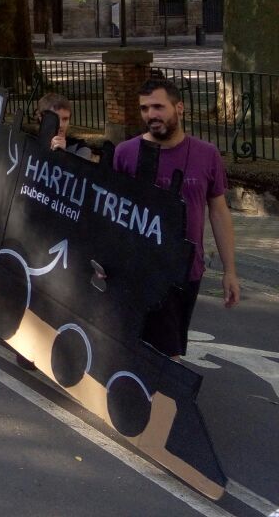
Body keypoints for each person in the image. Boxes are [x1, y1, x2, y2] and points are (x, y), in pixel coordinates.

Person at [112, 78, 240, 358]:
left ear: (179, 107)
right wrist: (106, 259)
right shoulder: (125, 153)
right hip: (137, 269)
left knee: (165, 354)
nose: (151, 115)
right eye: (145, 108)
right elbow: (109, 211)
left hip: (185, 271)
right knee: (152, 355)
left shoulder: (207, 154)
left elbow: (219, 211)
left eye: (158, 107)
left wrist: (229, 270)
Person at [36, 92, 94, 160]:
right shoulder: (30, 143)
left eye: (65, 119)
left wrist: (63, 154)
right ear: (41, 118)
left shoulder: (80, 148)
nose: (61, 125)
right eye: (55, 119)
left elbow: (79, 166)